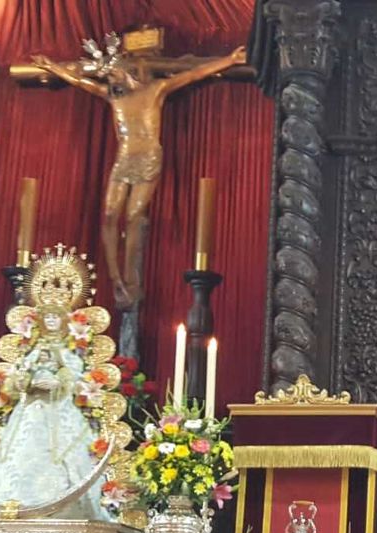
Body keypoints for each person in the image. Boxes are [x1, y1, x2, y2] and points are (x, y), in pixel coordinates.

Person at [31, 37, 246, 324]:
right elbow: (80, 82)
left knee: (133, 215)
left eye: (113, 72)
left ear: (126, 71)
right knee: (109, 215)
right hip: (124, 158)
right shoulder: (113, 97)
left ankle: (132, 281)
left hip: (147, 156)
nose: (109, 77)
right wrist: (52, 66)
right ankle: (116, 278)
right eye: (107, 74)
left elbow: (192, 74)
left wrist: (229, 60)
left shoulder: (155, 90)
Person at [0, 305, 112, 521]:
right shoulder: (32, 347)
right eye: (47, 317)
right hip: (32, 408)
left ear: (64, 321)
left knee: (66, 455)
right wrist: (28, 383)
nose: (51, 321)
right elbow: (19, 376)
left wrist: (58, 382)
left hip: (62, 408)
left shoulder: (71, 348)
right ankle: (9, 503)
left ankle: (66, 507)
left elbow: (75, 375)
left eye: (55, 317)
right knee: (20, 450)